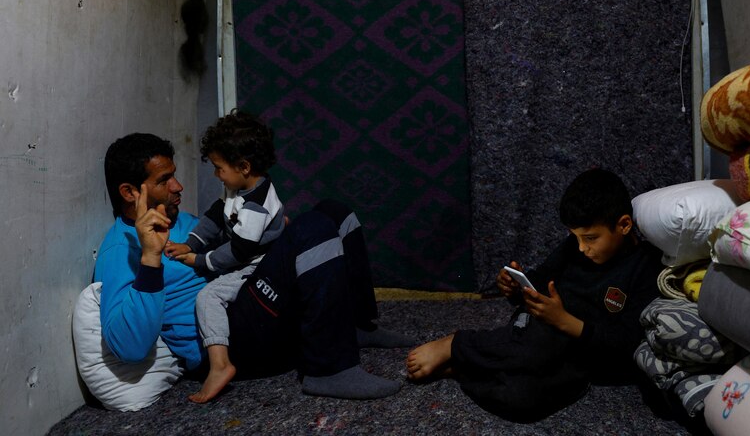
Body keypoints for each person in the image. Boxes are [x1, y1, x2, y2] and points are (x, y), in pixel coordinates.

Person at [94, 131, 410, 406]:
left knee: (334, 213)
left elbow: (240, 246)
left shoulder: (182, 221)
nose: (179, 186)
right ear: (130, 192)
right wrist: (151, 259)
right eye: (164, 180)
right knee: (312, 227)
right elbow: (129, 348)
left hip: (249, 304)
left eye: (174, 175)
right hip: (227, 345)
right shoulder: (120, 250)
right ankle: (330, 370)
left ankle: (356, 326)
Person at [405, 168, 664, 422]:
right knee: (535, 345)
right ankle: (456, 344)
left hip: (582, 352)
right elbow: (540, 282)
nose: (582, 248)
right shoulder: (574, 248)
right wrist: (516, 288)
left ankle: (464, 363)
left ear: (624, 225)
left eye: (591, 238)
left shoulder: (646, 267)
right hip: (538, 333)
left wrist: (565, 321)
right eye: (576, 238)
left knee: (519, 400)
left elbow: (628, 342)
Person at [164, 111, 286, 403]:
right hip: (245, 258)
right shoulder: (238, 187)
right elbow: (215, 217)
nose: (216, 174)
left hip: (258, 267)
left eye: (219, 168)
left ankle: (220, 364)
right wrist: (191, 244)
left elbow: (240, 250)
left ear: (243, 166)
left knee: (208, 297)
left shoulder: (257, 204)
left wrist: (199, 260)